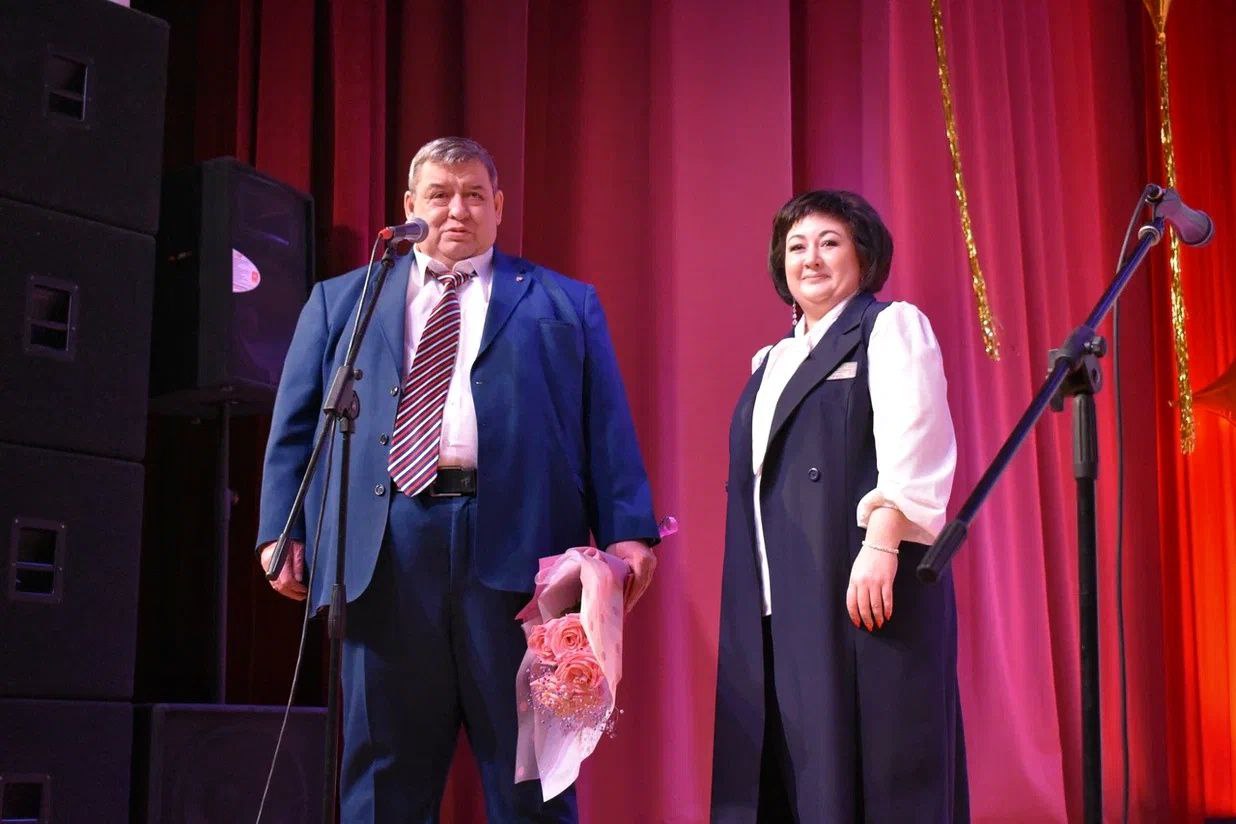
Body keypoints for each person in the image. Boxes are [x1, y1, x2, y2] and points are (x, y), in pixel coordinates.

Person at [256, 137, 660, 822]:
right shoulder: (343, 301)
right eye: (439, 195)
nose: (457, 210)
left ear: (499, 206)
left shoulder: (565, 302)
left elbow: (606, 424)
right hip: (383, 552)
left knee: (531, 778)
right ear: (409, 206)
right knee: (382, 780)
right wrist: (281, 526)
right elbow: (297, 424)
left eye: (474, 195)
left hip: (520, 556)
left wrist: (628, 531)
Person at [711, 190, 968, 822]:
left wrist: (881, 543)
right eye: (796, 246)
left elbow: (916, 441)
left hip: (862, 585)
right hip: (777, 599)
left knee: (882, 774)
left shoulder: (889, 326)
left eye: (830, 243)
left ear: (863, 254)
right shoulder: (770, 360)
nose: (811, 259)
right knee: (796, 777)